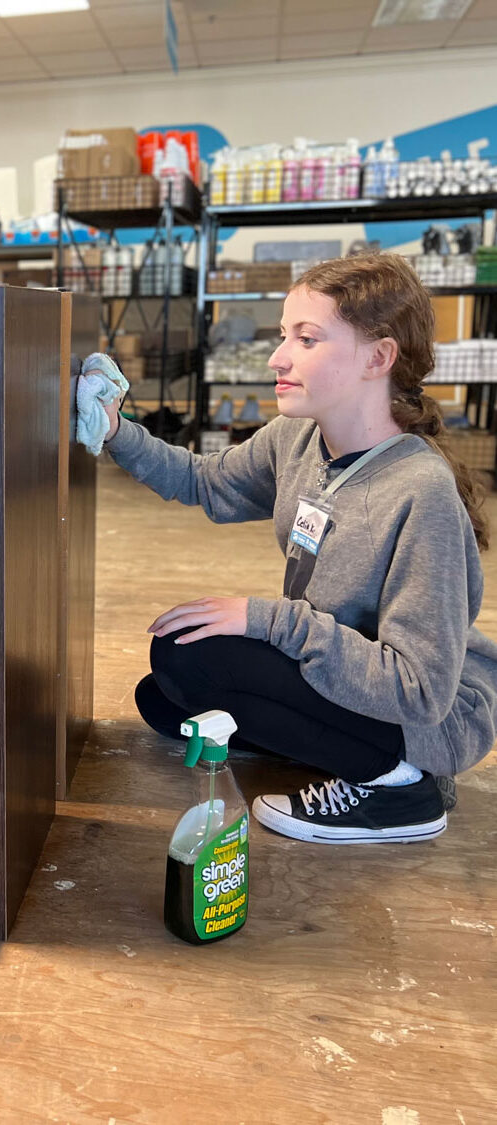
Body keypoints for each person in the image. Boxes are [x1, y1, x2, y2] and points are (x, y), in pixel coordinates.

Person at [101, 252, 497, 844]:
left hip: (425, 716)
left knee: (194, 663)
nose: (277, 357)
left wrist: (266, 621)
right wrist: (113, 429)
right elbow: (206, 481)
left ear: (379, 357)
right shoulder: (300, 437)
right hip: (346, 668)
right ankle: (349, 748)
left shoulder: (421, 493)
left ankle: (402, 788)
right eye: (285, 335)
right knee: (163, 698)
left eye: (306, 339)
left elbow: (419, 690)